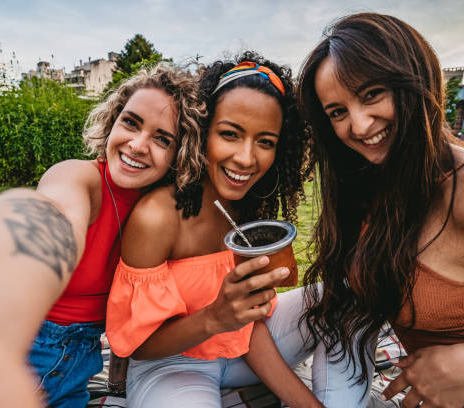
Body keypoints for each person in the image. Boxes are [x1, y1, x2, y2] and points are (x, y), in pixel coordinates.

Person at [0, 63, 204, 408]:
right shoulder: (78, 178)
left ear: (179, 154)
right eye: (131, 122)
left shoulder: (159, 212)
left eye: (161, 138)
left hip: (77, 373)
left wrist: (120, 364)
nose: (138, 145)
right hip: (22, 354)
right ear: (112, 122)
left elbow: (133, 301)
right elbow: (54, 220)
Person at [105, 52, 374, 408]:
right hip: (170, 367)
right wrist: (214, 318)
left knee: (351, 298)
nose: (247, 159)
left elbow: (251, 328)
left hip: (238, 354)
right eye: (230, 134)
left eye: (265, 142)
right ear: (200, 132)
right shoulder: (157, 217)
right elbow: (136, 346)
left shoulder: (246, 205)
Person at [297, 12, 464, 408]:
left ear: (415, 82)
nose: (360, 125)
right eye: (337, 112)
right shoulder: (376, 182)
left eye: (372, 94)